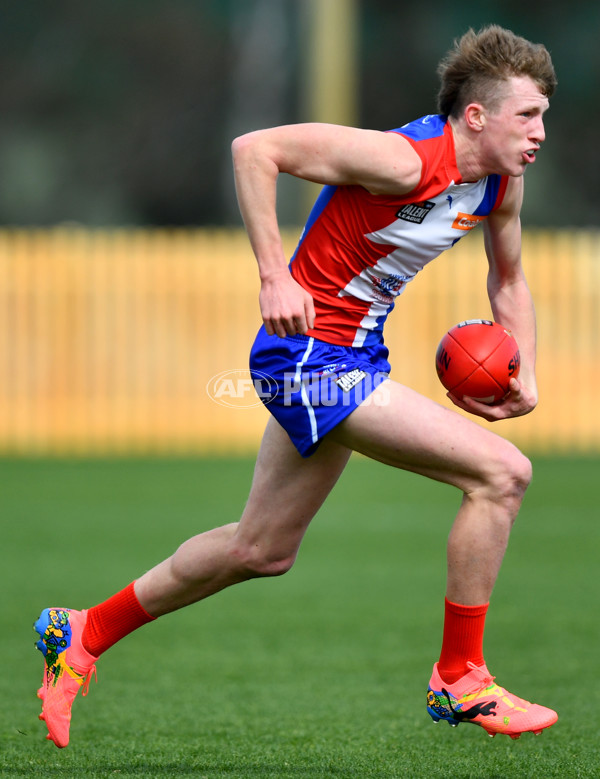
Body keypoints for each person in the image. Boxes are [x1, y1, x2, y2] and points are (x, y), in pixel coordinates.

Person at [34, 25, 558, 748]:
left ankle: (82, 630)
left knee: (261, 549)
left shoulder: (501, 181)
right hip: (308, 357)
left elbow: (508, 278)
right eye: (527, 116)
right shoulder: (403, 159)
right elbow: (255, 149)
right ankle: (460, 676)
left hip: (352, 355)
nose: (538, 133)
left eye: (544, 118)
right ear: (477, 116)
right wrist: (274, 273)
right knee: (503, 474)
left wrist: (523, 369)